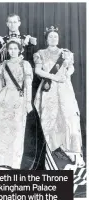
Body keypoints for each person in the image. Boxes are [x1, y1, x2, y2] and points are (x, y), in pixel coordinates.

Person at [0, 38, 45, 170]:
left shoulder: (25, 64)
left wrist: (28, 102)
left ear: (20, 50)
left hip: (19, 99)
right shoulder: (4, 64)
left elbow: (28, 85)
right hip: (4, 98)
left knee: (16, 129)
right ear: (7, 50)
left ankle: (12, 161)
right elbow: (0, 84)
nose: (13, 51)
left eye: (15, 49)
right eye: (10, 49)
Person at [34, 26, 85, 168]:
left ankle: (72, 153)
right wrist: (53, 76)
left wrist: (67, 73)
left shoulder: (66, 53)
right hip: (48, 88)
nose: (53, 39)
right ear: (46, 39)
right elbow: (38, 70)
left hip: (64, 88)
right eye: (50, 36)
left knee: (69, 118)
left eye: (55, 36)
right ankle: (54, 154)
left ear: (58, 38)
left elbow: (71, 68)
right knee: (50, 119)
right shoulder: (40, 54)